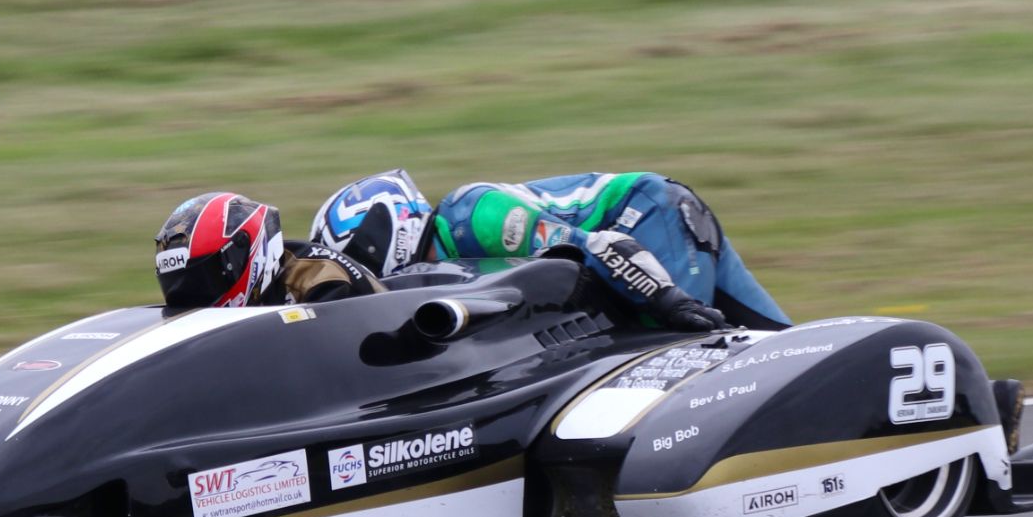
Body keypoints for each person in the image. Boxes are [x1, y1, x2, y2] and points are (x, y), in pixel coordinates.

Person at [312, 169, 790, 331]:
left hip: (649, 215)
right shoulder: (447, 260)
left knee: (680, 344)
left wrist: (669, 299)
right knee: (777, 340)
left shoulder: (474, 217)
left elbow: (605, 248)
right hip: (640, 236)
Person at [156, 191, 384, 308]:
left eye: (202, 282)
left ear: (239, 253)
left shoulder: (323, 283)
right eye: (180, 287)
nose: (193, 296)